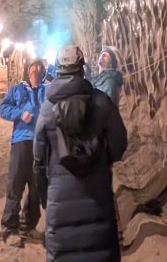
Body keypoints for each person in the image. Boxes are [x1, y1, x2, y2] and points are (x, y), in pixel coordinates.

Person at [34, 46, 128, 262]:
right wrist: (100, 161)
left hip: (60, 200)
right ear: (82, 68)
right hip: (98, 197)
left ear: (59, 70)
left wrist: (45, 197)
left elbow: (38, 161)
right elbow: (119, 144)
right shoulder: (102, 102)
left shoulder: (47, 110)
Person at [0, 59, 47, 247]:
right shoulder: (17, 90)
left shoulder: (47, 90)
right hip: (21, 141)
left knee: (37, 186)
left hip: (40, 142)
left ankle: (28, 225)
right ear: (27, 70)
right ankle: (9, 228)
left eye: (39, 67)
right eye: (33, 67)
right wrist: (19, 113)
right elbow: (4, 108)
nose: (36, 70)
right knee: (15, 184)